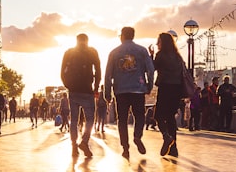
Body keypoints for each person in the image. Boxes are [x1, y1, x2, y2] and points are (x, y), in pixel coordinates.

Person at [102, 26, 154, 157]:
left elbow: (107, 75)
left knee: (122, 120)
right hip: (138, 89)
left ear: (122, 36)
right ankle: (137, 136)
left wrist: (107, 93)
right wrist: (149, 85)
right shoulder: (142, 51)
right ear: (133, 36)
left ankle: (125, 147)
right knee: (140, 115)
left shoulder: (114, 52)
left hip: (121, 91)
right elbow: (151, 70)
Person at [60, 33, 101, 158]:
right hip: (87, 91)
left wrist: (68, 86)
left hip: (73, 92)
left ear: (76, 41)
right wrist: (96, 87)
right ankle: (84, 141)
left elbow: (62, 72)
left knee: (74, 120)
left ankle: (74, 146)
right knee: (90, 119)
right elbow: (98, 70)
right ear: (87, 41)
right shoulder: (92, 52)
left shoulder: (69, 52)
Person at [152, 31, 187, 157]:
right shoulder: (178, 57)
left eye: (159, 41)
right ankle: (174, 148)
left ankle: (166, 137)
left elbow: (153, 68)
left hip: (165, 88)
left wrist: (151, 56)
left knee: (158, 116)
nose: (157, 44)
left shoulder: (161, 55)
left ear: (163, 43)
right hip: (176, 90)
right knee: (171, 117)